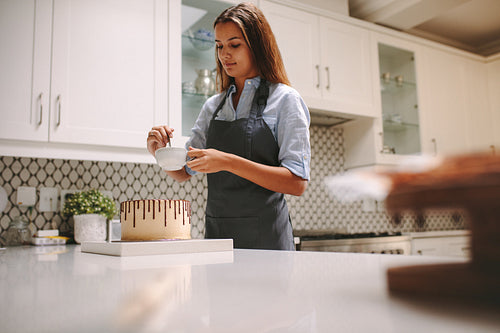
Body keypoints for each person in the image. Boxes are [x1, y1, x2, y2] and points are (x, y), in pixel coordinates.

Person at [147, 2, 310, 250]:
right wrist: (158, 151)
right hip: (217, 240)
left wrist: (227, 162)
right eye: (220, 46)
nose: (224, 54)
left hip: (267, 243)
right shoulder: (213, 106)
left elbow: (297, 183)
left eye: (234, 45)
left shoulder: (285, 100)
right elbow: (183, 172)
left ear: (257, 45)